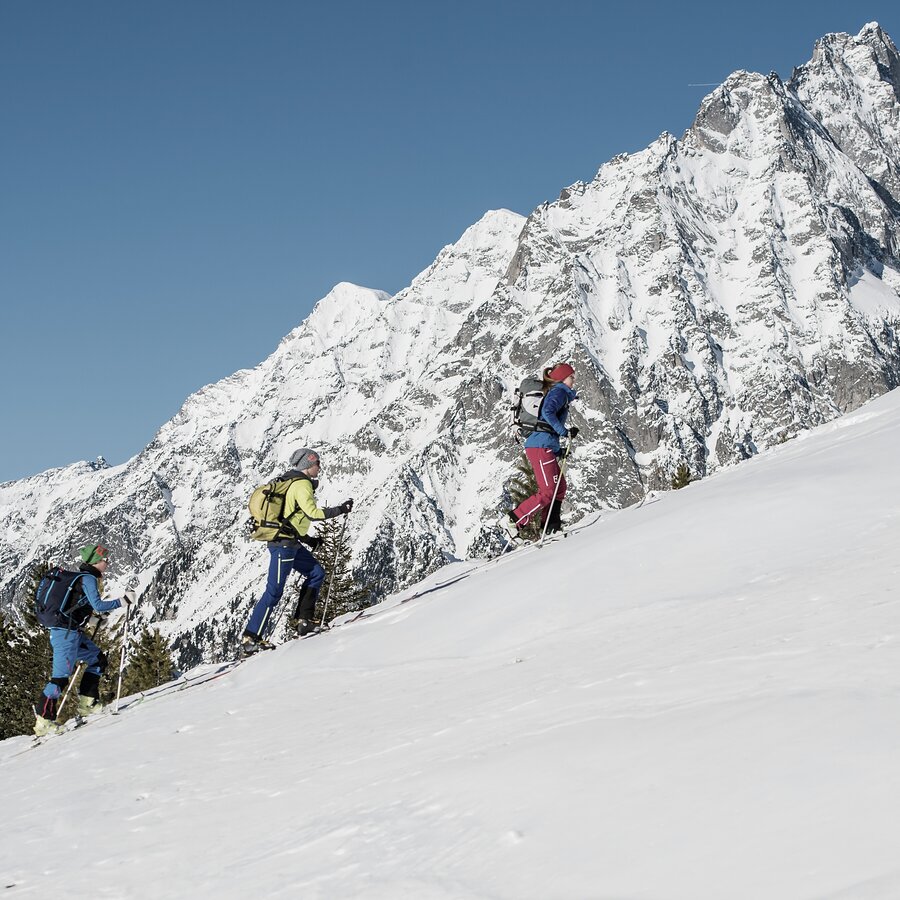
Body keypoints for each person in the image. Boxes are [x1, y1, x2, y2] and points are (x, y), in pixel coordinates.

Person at [242, 448, 353, 652]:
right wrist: (340, 509)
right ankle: (251, 638)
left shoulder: (293, 481)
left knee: (316, 573)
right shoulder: (302, 484)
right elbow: (312, 513)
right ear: (308, 464)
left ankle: (304, 621)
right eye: (317, 463)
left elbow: (289, 519)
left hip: (290, 543)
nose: (320, 467)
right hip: (283, 546)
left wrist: (309, 540)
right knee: (274, 591)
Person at [34, 544, 132, 737]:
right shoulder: (88, 578)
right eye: (105, 560)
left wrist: (92, 620)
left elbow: (78, 605)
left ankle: (87, 703)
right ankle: (43, 721)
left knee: (98, 659)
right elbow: (98, 605)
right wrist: (123, 601)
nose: (108, 563)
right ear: (96, 562)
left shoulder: (82, 578)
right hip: (65, 636)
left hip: (72, 633)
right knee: (60, 678)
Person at [508, 362, 579, 537]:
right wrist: (564, 432)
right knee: (548, 491)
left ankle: (551, 527)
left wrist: (558, 450)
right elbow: (547, 413)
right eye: (571, 377)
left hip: (544, 446)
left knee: (559, 487)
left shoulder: (560, 393)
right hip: (539, 447)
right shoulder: (559, 392)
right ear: (562, 378)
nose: (574, 380)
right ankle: (514, 520)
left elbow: (546, 428)